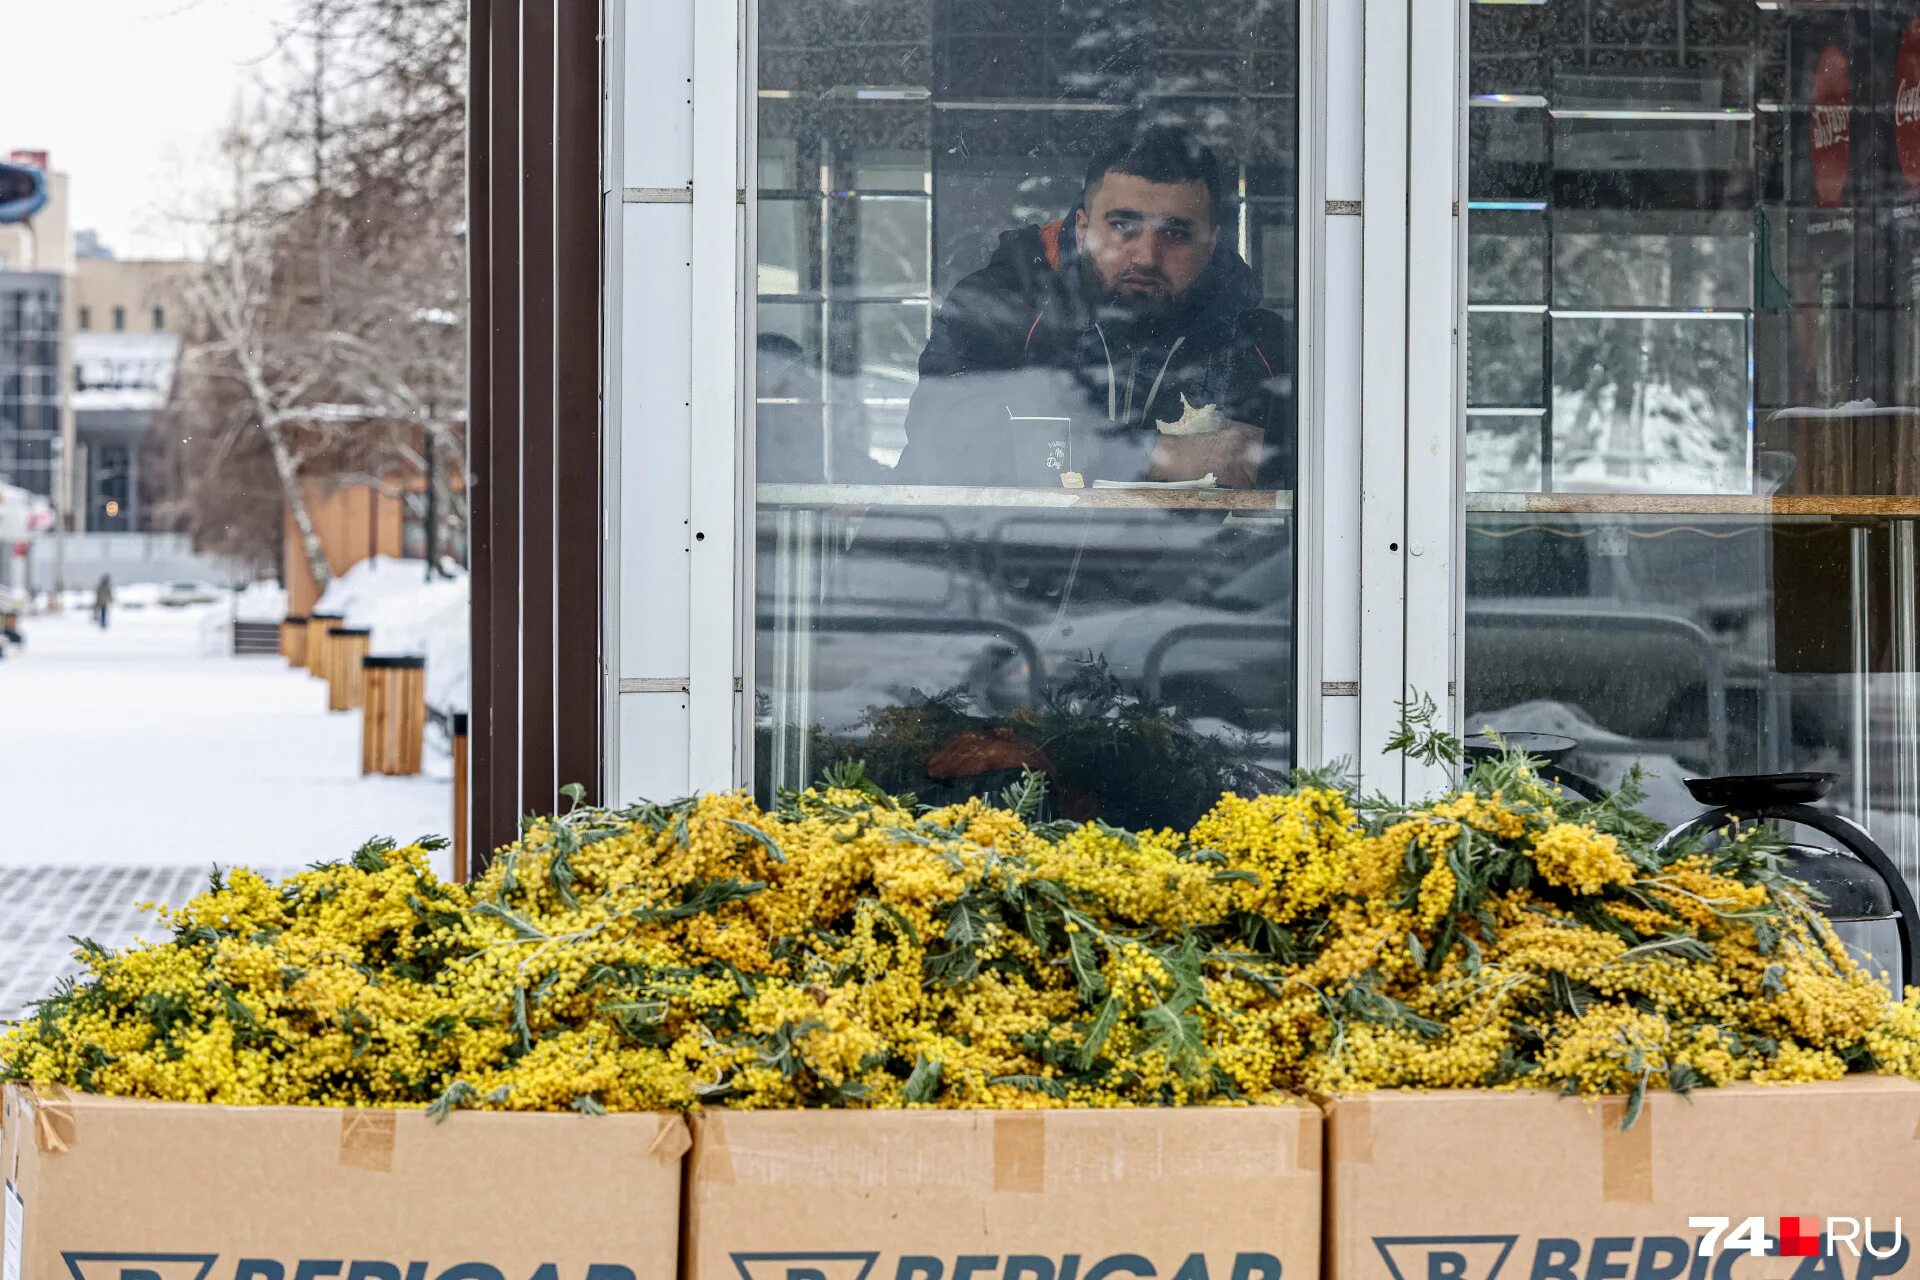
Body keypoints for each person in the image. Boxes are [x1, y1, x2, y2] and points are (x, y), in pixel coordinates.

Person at [893, 124, 1292, 490]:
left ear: (1210, 243)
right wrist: (1157, 455)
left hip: (1171, 566)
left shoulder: (1250, 339)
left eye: (1175, 232)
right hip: (987, 559)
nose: (1148, 256)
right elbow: (944, 441)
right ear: (1083, 230)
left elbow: (1316, 475)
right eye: (1123, 226)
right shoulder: (1006, 304)